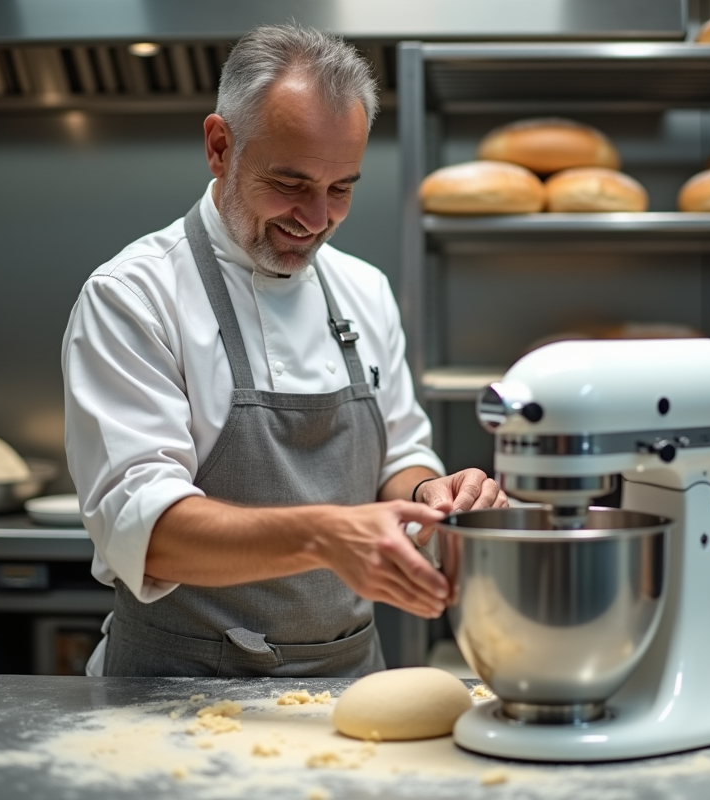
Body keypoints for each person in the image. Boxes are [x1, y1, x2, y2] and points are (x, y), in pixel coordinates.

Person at [62, 24, 506, 678]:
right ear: (219, 146)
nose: (316, 218)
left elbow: (400, 459)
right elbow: (147, 533)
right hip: (172, 692)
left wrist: (435, 497)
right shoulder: (133, 297)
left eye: (342, 188)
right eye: (291, 183)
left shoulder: (364, 289)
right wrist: (325, 535)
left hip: (348, 685)